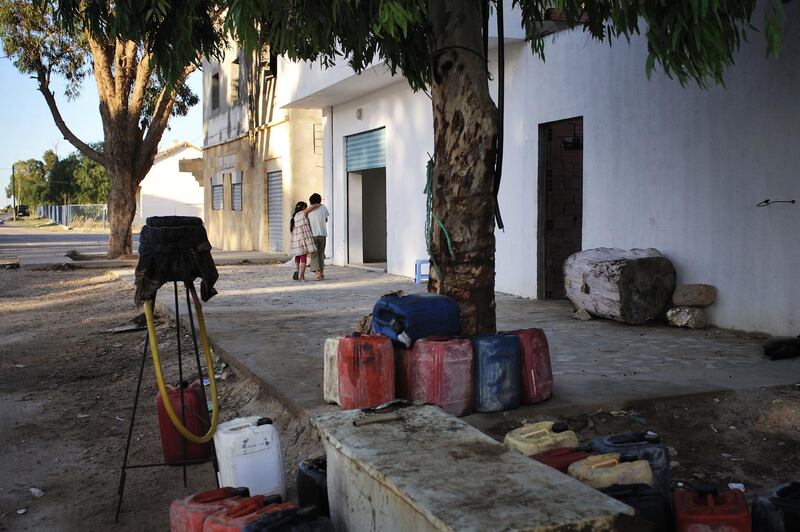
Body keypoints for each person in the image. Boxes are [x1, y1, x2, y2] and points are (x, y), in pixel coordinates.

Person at [289, 201, 316, 281]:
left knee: (297, 256)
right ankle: (302, 276)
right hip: (303, 239)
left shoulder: (294, 218)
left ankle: (296, 270)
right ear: (303, 208)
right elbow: (313, 206)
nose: (307, 207)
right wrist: (318, 203)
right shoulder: (302, 213)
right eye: (306, 206)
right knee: (303, 257)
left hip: (296, 240)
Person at [305, 193, 329, 281]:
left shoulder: (308, 210)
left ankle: (317, 273)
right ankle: (322, 272)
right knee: (321, 254)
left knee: (314, 255)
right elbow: (326, 219)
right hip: (322, 234)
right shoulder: (324, 208)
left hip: (313, 235)